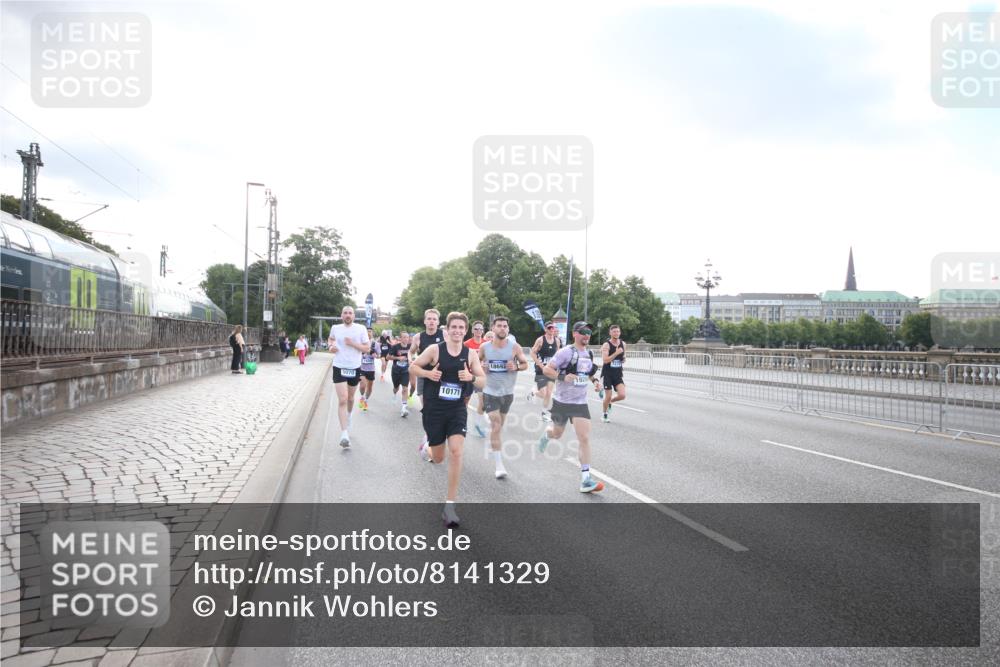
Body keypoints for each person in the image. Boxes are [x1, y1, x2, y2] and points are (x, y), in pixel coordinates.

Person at [409, 312, 486, 527]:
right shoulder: (435, 350)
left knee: (457, 451)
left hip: (457, 410)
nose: (458, 331)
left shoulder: (470, 354)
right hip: (434, 409)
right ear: (448, 329)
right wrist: (427, 375)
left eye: (462, 327)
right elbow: (413, 366)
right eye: (454, 327)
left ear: (466, 330)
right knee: (439, 457)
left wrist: (471, 377)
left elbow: (483, 381)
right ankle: (427, 448)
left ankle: (449, 506)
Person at [538, 321, 605, 494]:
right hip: (562, 402)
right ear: (575, 333)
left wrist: (596, 382)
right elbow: (547, 370)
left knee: (584, 438)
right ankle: (547, 433)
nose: (587, 335)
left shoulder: (588, 353)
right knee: (557, 434)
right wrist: (562, 376)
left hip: (580, 403)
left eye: (589, 331)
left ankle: (585, 479)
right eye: (583, 331)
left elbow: (588, 373)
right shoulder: (565, 352)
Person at [479, 316, 529, 479]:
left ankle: (489, 418)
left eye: (505, 326)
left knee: (499, 426)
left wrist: (516, 366)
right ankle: (499, 465)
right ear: (493, 329)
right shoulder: (484, 347)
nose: (502, 328)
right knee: (496, 425)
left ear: (508, 329)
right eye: (499, 326)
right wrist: (481, 368)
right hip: (490, 390)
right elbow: (474, 365)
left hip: (507, 392)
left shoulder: (514, 347)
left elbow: (525, 364)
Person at [328, 306, 371, 448]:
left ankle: (349, 415)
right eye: (345, 313)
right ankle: (344, 433)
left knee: (351, 398)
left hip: (354, 367)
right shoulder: (335, 328)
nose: (347, 315)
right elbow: (331, 339)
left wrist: (352, 343)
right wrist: (331, 347)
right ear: (341, 315)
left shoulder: (361, 329)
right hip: (339, 366)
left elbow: (367, 348)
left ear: (354, 316)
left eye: (350, 313)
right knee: (343, 399)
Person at [410, 309, 444, 449]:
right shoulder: (418, 337)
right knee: (427, 408)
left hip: (440, 376)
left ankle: (434, 435)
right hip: (424, 375)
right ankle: (429, 435)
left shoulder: (444, 334)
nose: (431, 321)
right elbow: (411, 352)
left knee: (440, 408)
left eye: (434, 319)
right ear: (424, 321)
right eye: (429, 319)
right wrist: (412, 361)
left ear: (438, 322)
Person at [527, 321, 562, 422]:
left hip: (551, 370)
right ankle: (534, 392)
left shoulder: (557, 341)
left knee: (549, 393)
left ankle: (544, 413)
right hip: (540, 370)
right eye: (549, 328)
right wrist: (540, 365)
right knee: (543, 393)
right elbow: (533, 353)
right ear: (546, 329)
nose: (552, 329)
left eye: (553, 328)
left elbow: (557, 354)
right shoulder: (540, 340)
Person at [600, 324, 628, 422]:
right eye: (614, 331)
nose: (616, 333)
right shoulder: (606, 345)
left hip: (617, 373)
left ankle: (610, 402)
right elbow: (605, 360)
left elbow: (623, 356)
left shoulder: (623, 344)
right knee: (607, 396)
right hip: (608, 374)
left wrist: (623, 359)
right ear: (610, 333)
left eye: (618, 331)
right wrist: (616, 353)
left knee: (622, 395)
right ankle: (604, 414)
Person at [464, 321, 487, 435]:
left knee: (483, 402)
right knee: (465, 401)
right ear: (472, 330)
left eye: (481, 329)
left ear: (483, 331)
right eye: (476, 329)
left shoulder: (487, 343)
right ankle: (463, 422)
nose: (479, 331)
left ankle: (478, 424)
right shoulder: (467, 344)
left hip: (480, 377)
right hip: (468, 376)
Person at [388, 332, 412, 417]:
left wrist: (411, 360)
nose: (406, 339)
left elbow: (414, 355)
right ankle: (394, 394)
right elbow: (388, 357)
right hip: (396, 371)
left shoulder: (410, 347)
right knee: (396, 388)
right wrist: (398, 358)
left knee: (405, 389)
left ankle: (404, 408)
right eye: (404, 337)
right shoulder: (395, 347)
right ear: (400, 338)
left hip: (406, 371)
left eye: (407, 337)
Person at [358, 327, 379, 412]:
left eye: (370, 331)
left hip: (371, 369)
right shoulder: (360, 343)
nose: (368, 333)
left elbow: (379, 355)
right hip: (361, 368)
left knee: (370, 387)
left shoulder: (375, 344)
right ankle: (362, 397)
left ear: (372, 333)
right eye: (367, 332)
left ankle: (366, 400)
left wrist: (376, 356)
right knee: (363, 385)